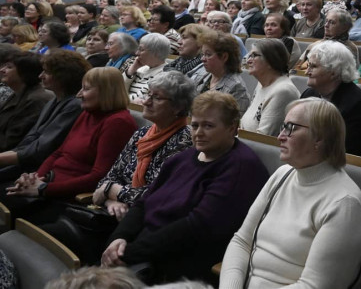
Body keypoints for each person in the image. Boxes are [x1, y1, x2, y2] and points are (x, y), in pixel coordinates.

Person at [101, 91, 269, 284]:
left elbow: (197, 227)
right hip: (142, 251)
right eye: (195, 125)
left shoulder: (242, 167)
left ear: (232, 128)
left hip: (179, 266)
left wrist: (127, 253)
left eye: (208, 126)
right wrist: (118, 239)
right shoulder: (184, 158)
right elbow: (144, 203)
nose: (199, 133)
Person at [220, 98, 361, 288]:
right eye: (283, 127)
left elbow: (314, 286)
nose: (280, 136)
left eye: (291, 128)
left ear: (319, 138)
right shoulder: (283, 174)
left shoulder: (344, 204)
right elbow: (242, 242)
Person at [52, 71, 195, 264]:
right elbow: (108, 178)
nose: (146, 101)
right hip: (113, 215)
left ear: (178, 107)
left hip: (145, 225)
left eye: (156, 98)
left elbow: (155, 195)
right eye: (148, 94)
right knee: (52, 237)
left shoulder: (185, 143)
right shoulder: (142, 134)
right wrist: (111, 201)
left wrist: (113, 192)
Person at [1, 67, 136, 221]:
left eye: (86, 89)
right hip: (50, 185)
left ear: (106, 91)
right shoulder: (88, 112)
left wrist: (44, 189)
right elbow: (59, 152)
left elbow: (99, 176)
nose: (79, 94)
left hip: (68, 198)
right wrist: (35, 179)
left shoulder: (118, 123)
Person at [0, 50, 89, 182]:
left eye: (47, 72)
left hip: (43, 171)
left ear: (63, 76)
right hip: (26, 163)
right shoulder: (53, 101)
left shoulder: (74, 106)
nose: (41, 76)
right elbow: (29, 140)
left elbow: (42, 149)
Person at [301, 41, 361, 157]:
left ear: (333, 72)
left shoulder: (357, 105)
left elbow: (343, 150)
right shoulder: (309, 94)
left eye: (313, 67)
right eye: (308, 65)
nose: (306, 72)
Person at [241, 38, 300, 136]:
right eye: (249, 56)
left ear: (271, 61)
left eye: (254, 56)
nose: (248, 61)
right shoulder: (261, 84)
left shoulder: (283, 92)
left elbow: (262, 138)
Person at [0, 52, 54, 152]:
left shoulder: (35, 100)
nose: (2, 70)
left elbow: (10, 142)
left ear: (25, 73)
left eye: (9, 67)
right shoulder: (19, 93)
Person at [194, 31, 250, 113]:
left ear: (224, 57)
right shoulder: (202, 75)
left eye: (208, 54)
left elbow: (234, 120)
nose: (202, 59)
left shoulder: (237, 88)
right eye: (203, 54)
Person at [123, 33, 171, 104]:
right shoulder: (140, 67)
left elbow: (139, 100)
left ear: (155, 53)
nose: (137, 53)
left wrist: (117, 98)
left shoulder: (164, 75)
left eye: (141, 49)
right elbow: (118, 89)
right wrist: (131, 70)